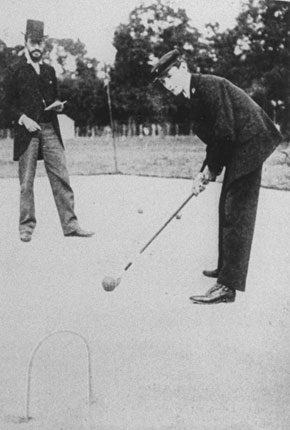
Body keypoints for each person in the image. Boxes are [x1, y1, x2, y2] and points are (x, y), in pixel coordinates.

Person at [151, 48, 282, 304]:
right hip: (238, 142)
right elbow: (215, 140)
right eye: (163, 81)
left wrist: (210, 171)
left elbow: (224, 134)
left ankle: (228, 286)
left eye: (170, 75)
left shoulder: (208, 86)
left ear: (183, 67)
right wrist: (203, 173)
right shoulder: (193, 96)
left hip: (251, 141)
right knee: (226, 206)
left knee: (237, 211)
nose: (168, 84)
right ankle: (225, 269)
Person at [4, 19, 94, 242]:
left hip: (50, 128)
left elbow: (52, 98)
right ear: (25, 42)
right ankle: (26, 227)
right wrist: (23, 118)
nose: (37, 47)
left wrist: (58, 106)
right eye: (33, 42)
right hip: (27, 132)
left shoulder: (49, 70)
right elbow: (5, 104)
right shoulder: (14, 70)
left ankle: (71, 225)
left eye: (40, 43)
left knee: (61, 176)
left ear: (44, 45)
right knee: (26, 181)